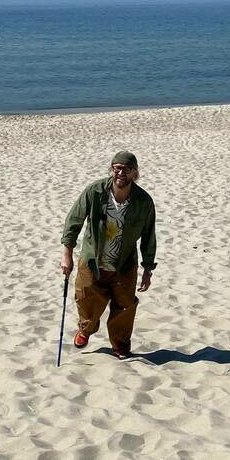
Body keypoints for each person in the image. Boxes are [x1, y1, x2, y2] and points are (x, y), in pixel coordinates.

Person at [60, 151, 157, 360]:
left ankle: (120, 345)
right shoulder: (94, 191)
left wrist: (148, 268)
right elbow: (73, 221)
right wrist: (67, 254)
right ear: (112, 169)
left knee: (124, 307)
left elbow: (149, 235)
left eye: (127, 169)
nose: (121, 173)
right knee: (86, 300)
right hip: (92, 260)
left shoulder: (143, 201)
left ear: (135, 173)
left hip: (124, 264)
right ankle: (85, 331)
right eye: (117, 168)